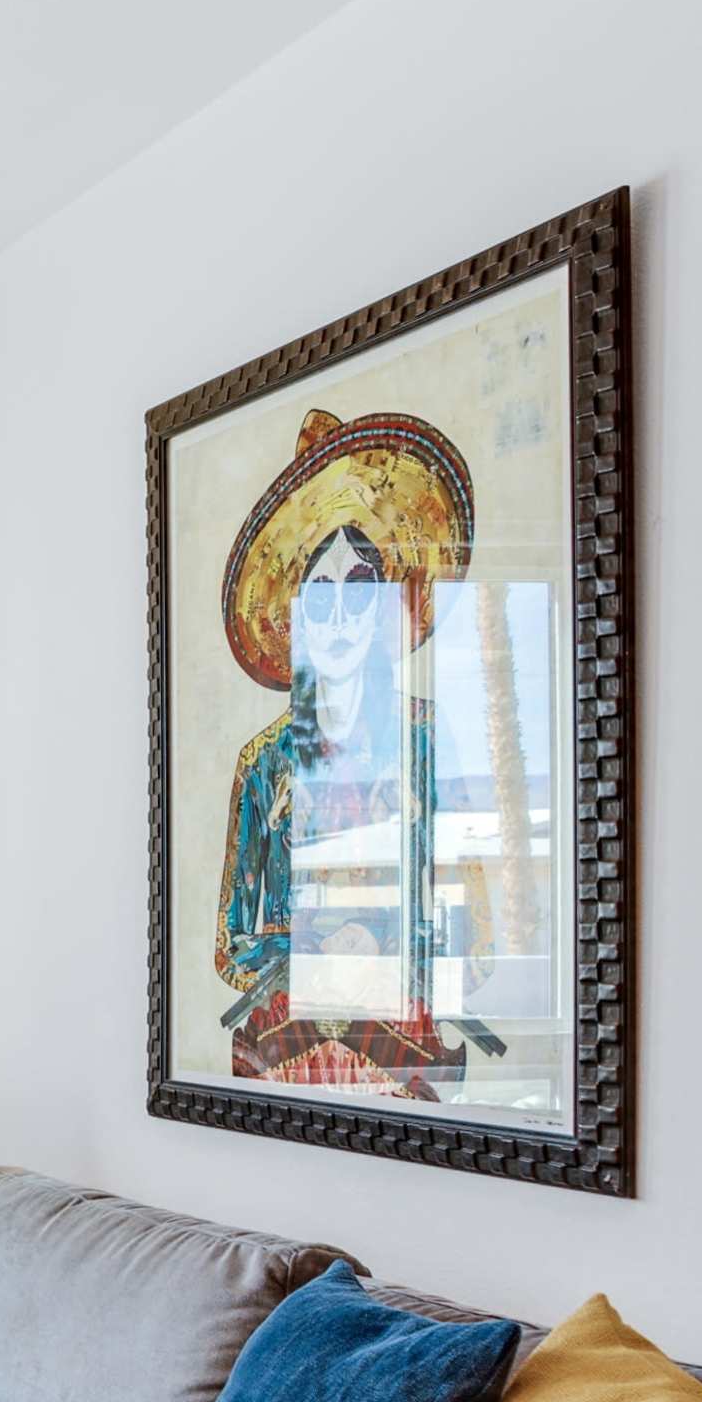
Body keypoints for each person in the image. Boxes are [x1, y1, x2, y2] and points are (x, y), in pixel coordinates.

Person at [210, 410, 475, 1098]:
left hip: (404, 1042)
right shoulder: (265, 763)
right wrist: (307, 954)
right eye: (318, 595)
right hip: (286, 1046)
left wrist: (383, 944)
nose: (336, 621)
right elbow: (232, 941)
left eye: (358, 591)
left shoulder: (423, 738)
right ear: (294, 616)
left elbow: (468, 916)